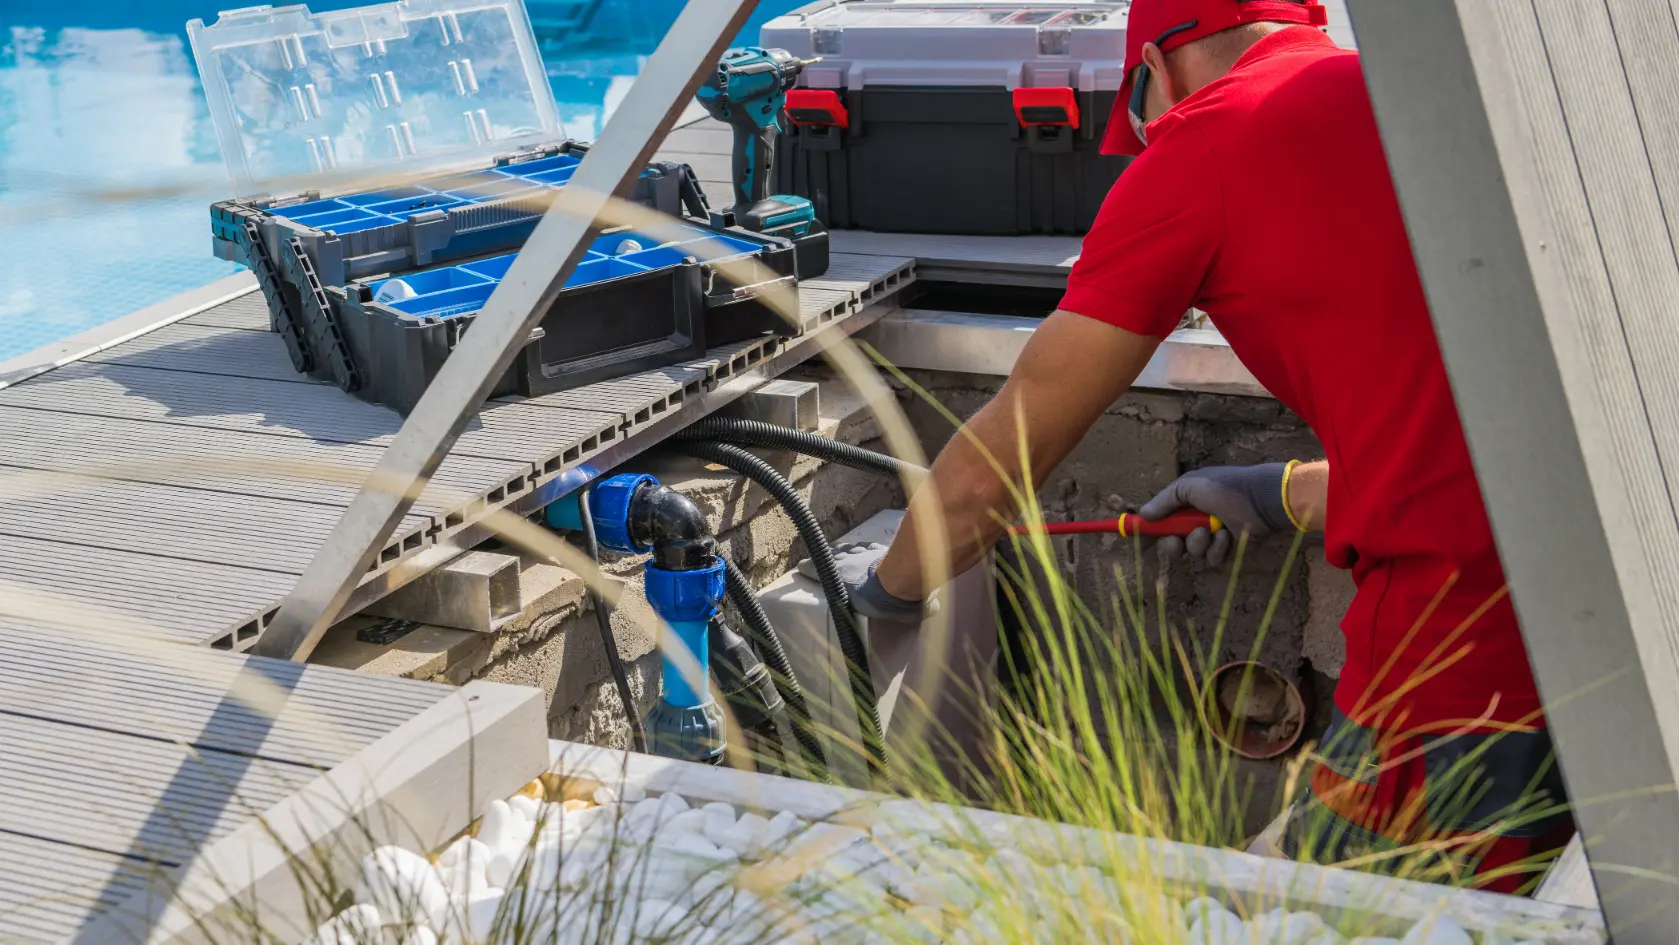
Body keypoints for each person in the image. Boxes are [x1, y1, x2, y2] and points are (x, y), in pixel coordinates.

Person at [839, 0, 1573, 891]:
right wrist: (1276, 491)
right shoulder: (1386, 94)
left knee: (1308, 908)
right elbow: (1458, 432)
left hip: (1460, 634)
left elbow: (1005, 455)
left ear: (1158, 65)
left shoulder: (1205, 141)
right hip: (1593, 574)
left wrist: (882, 596)